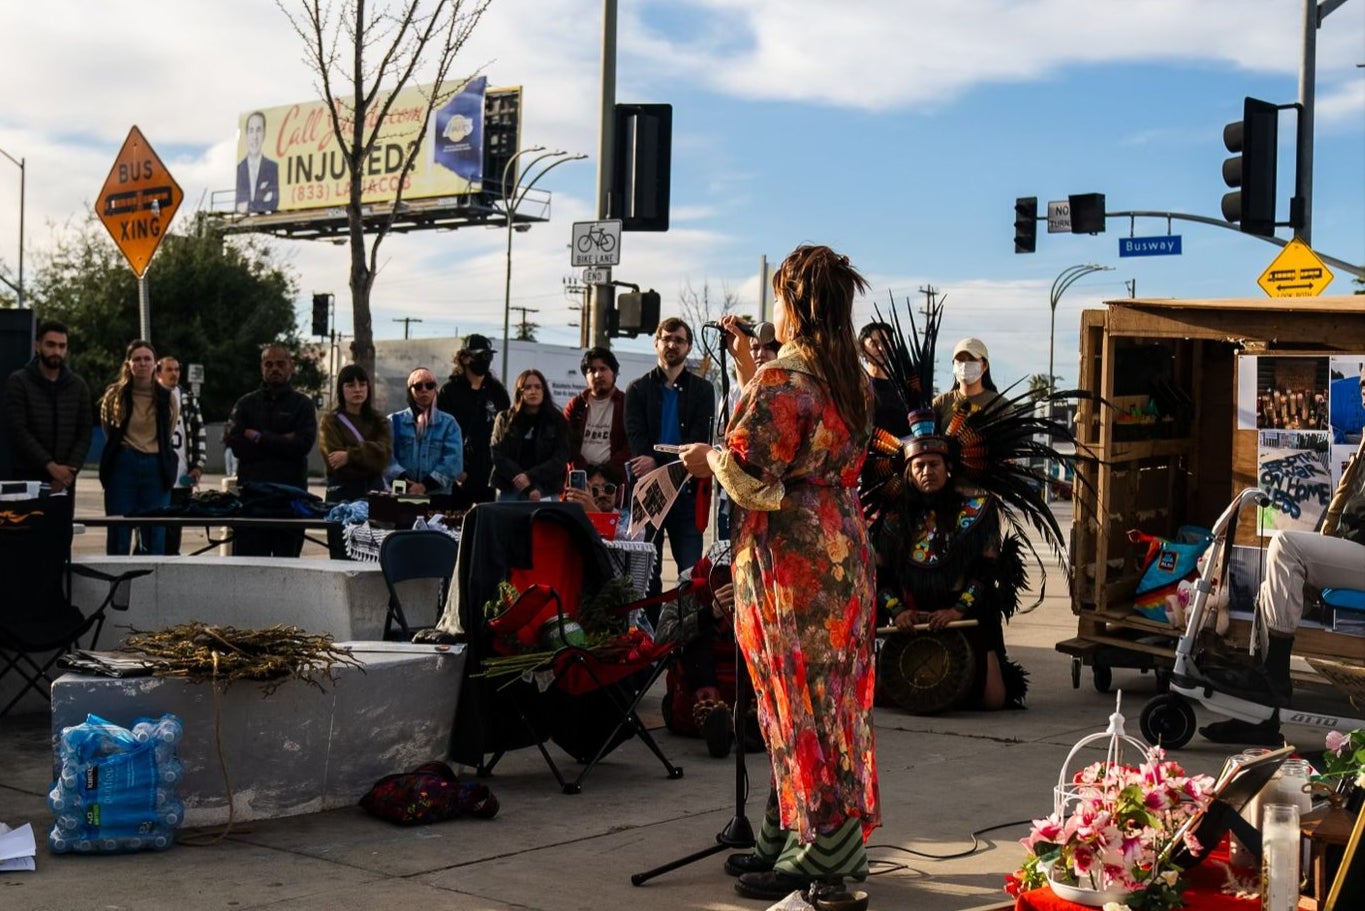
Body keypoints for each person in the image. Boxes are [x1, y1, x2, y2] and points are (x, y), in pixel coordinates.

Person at [678, 245, 878, 906]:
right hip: (842, 546)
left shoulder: (785, 377)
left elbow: (754, 475)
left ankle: (824, 852)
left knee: (799, 703)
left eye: (776, 296)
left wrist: (708, 460)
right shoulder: (851, 376)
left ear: (792, 301)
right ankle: (786, 831)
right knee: (824, 702)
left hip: (791, 555)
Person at [1200, 434, 1365, 746]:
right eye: (1363, 385)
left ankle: (1274, 679)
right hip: (1354, 547)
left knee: (1286, 546)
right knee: (1269, 591)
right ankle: (1260, 716)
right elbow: (1343, 501)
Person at [877, 438, 1026, 711]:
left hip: (964, 614)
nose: (927, 471)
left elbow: (985, 573)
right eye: (919, 465)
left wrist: (957, 610)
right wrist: (898, 611)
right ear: (908, 472)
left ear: (949, 467)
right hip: (913, 617)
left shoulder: (978, 510)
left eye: (934, 464)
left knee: (994, 699)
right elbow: (879, 577)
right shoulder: (892, 518)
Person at [625, 317, 716, 597]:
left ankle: (685, 636)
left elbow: (700, 441)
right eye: (666, 338)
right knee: (645, 574)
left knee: (690, 574)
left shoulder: (703, 390)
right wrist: (652, 460)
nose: (672, 344)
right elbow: (637, 438)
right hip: (649, 491)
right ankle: (647, 637)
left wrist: (657, 460)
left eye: (679, 340)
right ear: (656, 343)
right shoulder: (637, 389)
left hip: (686, 492)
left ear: (688, 348)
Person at [224, 344, 318, 556]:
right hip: (252, 503)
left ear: (291, 367)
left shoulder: (303, 405)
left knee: (287, 570)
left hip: (290, 504)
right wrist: (284, 441)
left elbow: (302, 445)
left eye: (280, 364)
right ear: (261, 368)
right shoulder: (246, 404)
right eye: (269, 364)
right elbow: (236, 444)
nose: (274, 368)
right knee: (249, 570)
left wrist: (259, 437)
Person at [98, 340, 178, 555]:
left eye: (147, 359)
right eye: (137, 359)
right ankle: (118, 584)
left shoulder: (166, 398)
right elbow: (109, 429)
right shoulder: (115, 396)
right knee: (119, 534)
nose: (142, 363)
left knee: (153, 535)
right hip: (123, 465)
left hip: (155, 467)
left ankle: (149, 585)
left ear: (155, 364)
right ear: (129, 364)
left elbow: (167, 432)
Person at [3, 319, 93, 493]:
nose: (56, 351)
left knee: (60, 521)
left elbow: (84, 432)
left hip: (65, 479)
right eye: (50, 345)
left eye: (62, 346)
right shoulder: (19, 382)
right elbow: (18, 430)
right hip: (26, 475)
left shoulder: (78, 386)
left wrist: (70, 469)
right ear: (38, 346)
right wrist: (50, 466)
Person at [436, 334, 510, 504]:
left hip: (491, 471)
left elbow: (508, 432)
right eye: (481, 355)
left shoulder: (497, 392)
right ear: (465, 358)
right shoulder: (450, 392)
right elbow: (442, 434)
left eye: (489, 356)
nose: (486, 360)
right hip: (462, 473)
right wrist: (456, 470)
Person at [489, 368, 570, 501]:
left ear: (544, 390)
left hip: (545, 488)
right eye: (527, 387)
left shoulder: (557, 420)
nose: (533, 391)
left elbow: (560, 458)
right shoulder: (504, 418)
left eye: (538, 387)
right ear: (519, 392)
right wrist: (523, 480)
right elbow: (497, 454)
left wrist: (530, 477)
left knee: (545, 522)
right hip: (510, 487)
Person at [155, 355, 207, 554]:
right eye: (169, 369)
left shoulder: (187, 399)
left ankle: (170, 560)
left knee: (174, 527)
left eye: (177, 369)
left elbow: (198, 432)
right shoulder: (152, 396)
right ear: (158, 372)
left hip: (181, 473)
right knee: (153, 524)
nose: (174, 374)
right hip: (158, 473)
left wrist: (198, 466)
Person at [319, 364, 393, 503]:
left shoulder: (379, 420)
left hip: (373, 493)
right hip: (342, 495)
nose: (357, 389)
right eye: (350, 385)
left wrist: (349, 456)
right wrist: (370, 459)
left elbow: (384, 456)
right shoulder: (330, 421)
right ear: (341, 389)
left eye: (362, 384)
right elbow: (334, 461)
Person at [386, 367, 463, 495]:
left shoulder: (449, 424)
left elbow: (453, 462)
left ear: (435, 390)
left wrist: (425, 486)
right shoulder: (393, 422)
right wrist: (406, 484)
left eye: (429, 385)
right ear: (409, 391)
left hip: (437, 497)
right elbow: (386, 458)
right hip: (401, 496)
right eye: (418, 386)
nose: (424, 390)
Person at [564, 346, 630, 483]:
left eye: (603, 369)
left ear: (614, 373)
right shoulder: (576, 405)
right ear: (585, 377)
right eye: (592, 370)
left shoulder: (626, 404)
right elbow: (565, 443)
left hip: (613, 480)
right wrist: (585, 470)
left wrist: (607, 471)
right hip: (580, 479)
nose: (598, 375)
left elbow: (630, 445)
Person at [932, 336, 1003, 426]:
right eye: (960, 360)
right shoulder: (940, 403)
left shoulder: (1000, 404)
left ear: (985, 365)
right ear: (954, 365)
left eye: (972, 359)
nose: (965, 365)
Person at [859, 321, 910, 438]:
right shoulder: (858, 388)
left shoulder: (904, 388)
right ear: (862, 349)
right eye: (874, 344)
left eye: (886, 343)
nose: (881, 348)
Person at [235, 110, 280, 214]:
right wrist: (259, 203)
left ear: (264, 133)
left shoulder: (272, 167)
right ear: (246, 134)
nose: (255, 137)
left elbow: (274, 203)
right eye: (251, 130)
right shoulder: (240, 168)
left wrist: (249, 205)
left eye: (258, 130)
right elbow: (238, 205)